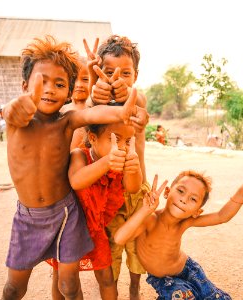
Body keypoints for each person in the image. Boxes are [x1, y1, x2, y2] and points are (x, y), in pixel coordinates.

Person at [0, 35, 145, 300]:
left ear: (68, 92)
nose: (49, 89)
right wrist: (14, 106)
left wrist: (123, 110)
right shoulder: (17, 121)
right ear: (24, 85)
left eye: (59, 84)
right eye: (41, 82)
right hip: (28, 219)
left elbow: (93, 114)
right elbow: (11, 110)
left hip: (66, 214)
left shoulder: (66, 121)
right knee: (13, 288)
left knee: (69, 284)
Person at [114, 170, 243, 299]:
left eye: (193, 199)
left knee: (215, 298)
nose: (183, 199)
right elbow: (120, 238)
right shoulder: (150, 219)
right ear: (167, 192)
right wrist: (145, 210)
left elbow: (221, 216)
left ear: (197, 212)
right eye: (180, 191)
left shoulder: (185, 222)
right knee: (182, 296)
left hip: (189, 270)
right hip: (163, 279)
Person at [87, 34, 150, 299]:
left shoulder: (137, 100)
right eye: (109, 71)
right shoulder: (97, 102)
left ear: (136, 75)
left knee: (137, 246)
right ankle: (111, 287)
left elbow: (141, 108)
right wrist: (93, 88)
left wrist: (131, 97)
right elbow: (88, 110)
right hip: (108, 193)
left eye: (126, 72)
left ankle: (135, 286)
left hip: (136, 191)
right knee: (111, 248)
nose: (117, 78)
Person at [49, 121, 142, 300]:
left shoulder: (121, 162)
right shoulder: (80, 155)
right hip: (69, 230)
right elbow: (76, 180)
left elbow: (133, 188)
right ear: (93, 138)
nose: (122, 147)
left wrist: (133, 168)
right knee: (64, 281)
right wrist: (108, 161)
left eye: (128, 141)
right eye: (115, 139)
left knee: (106, 278)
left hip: (96, 231)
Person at [60, 56, 91, 150]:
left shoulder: (93, 108)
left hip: (86, 162)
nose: (79, 85)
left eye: (85, 79)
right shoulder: (62, 109)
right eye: (73, 80)